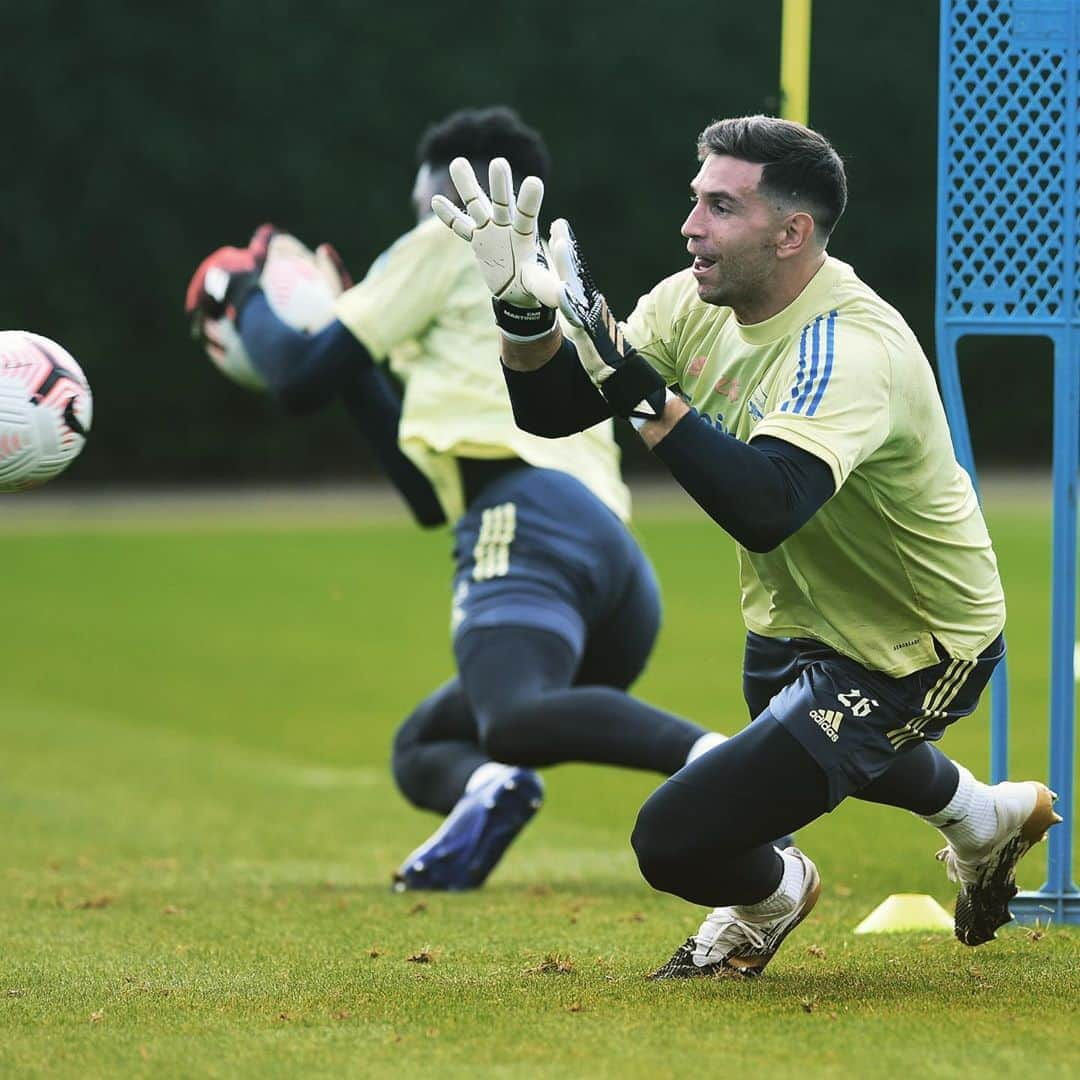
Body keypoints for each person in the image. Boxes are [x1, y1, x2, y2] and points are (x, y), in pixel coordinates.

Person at [432, 113, 1060, 972]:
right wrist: (521, 315)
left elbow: (766, 505)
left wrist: (637, 384)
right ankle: (984, 820)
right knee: (823, 734)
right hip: (795, 622)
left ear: (792, 232)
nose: (691, 225)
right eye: (696, 201)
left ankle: (770, 894)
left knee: (676, 838)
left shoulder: (849, 347)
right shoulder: (693, 304)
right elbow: (551, 413)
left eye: (722, 208)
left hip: (915, 641)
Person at [185, 106, 737, 893]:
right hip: (612, 568)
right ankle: (492, 791)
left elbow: (297, 377)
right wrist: (353, 356)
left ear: (453, 191)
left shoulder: (447, 239)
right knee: (425, 747)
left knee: (511, 718)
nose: (417, 229)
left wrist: (240, 293)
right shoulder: (536, 277)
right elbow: (420, 492)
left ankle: (722, 768)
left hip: (530, 523)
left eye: (422, 209)